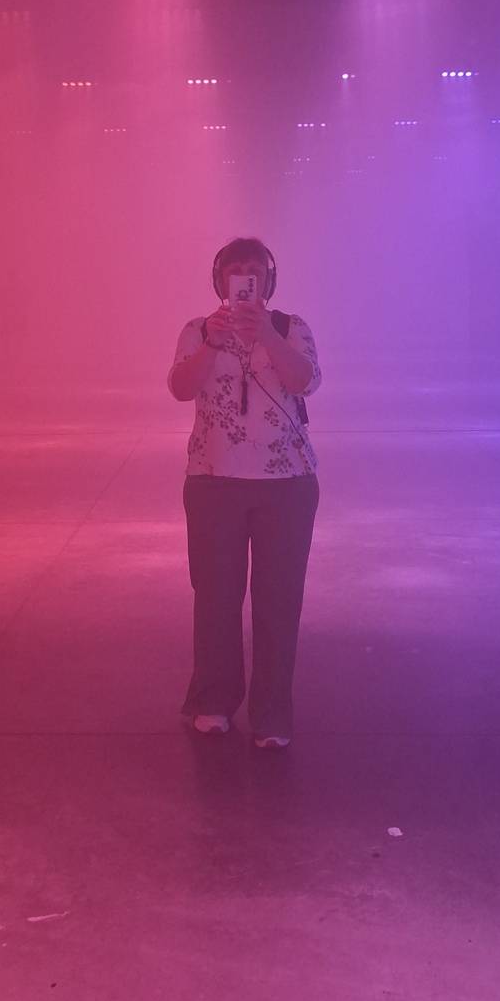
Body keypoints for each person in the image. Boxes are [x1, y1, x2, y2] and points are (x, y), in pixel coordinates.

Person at [167, 237, 321, 749]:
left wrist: (267, 336)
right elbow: (180, 388)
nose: (245, 280)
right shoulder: (198, 330)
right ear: (220, 281)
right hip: (213, 479)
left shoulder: (291, 327)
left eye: (255, 272)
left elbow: (305, 381)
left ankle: (272, 714)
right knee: (215, 596)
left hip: (287, 483)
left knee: (280, 600)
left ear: (268, 281)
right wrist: (213, 343)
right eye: (236, 272)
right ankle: (212, 700)